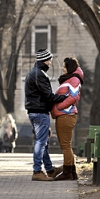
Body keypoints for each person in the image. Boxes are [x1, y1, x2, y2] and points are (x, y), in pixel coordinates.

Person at [25, 48, 68, 181]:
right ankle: (37, 171)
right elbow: (48, 96)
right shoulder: (40, 75)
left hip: (35, 111)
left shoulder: (34, 72)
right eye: (49, 60)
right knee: (41, 142)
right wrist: (64, 97)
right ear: (45, 60)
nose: (50, 63)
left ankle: (49, 170)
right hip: (39, 112)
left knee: (43, 142)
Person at [50, 57, 83, 180]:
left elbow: (74, 97)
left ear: (69, 68)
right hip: (64, 115)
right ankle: (72, 172)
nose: (62, 68)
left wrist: (59, 107)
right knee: (66, 145)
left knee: (65, 145)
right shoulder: (69, 79)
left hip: (66, 115)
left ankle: (67, 172)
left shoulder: (74, 79)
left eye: (64, 66)